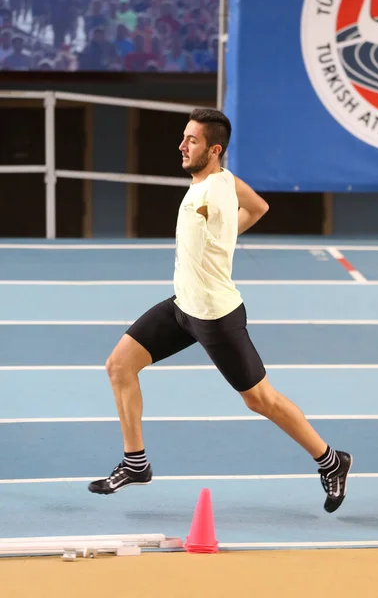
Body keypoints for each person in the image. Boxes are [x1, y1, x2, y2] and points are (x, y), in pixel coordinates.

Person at [88, 108, 353, 514]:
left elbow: (230, 210)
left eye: (191, 140)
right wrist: (224, 239)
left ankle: (332, 460)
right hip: (183, 305)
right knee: (119, 365)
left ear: (213, 150)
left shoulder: (211, 193)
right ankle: (135, 462)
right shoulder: (224, 180)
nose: (181, 145)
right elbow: (259, 206)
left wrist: (221, 228)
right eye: (183, 137)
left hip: (214, 316)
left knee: (261, 399)